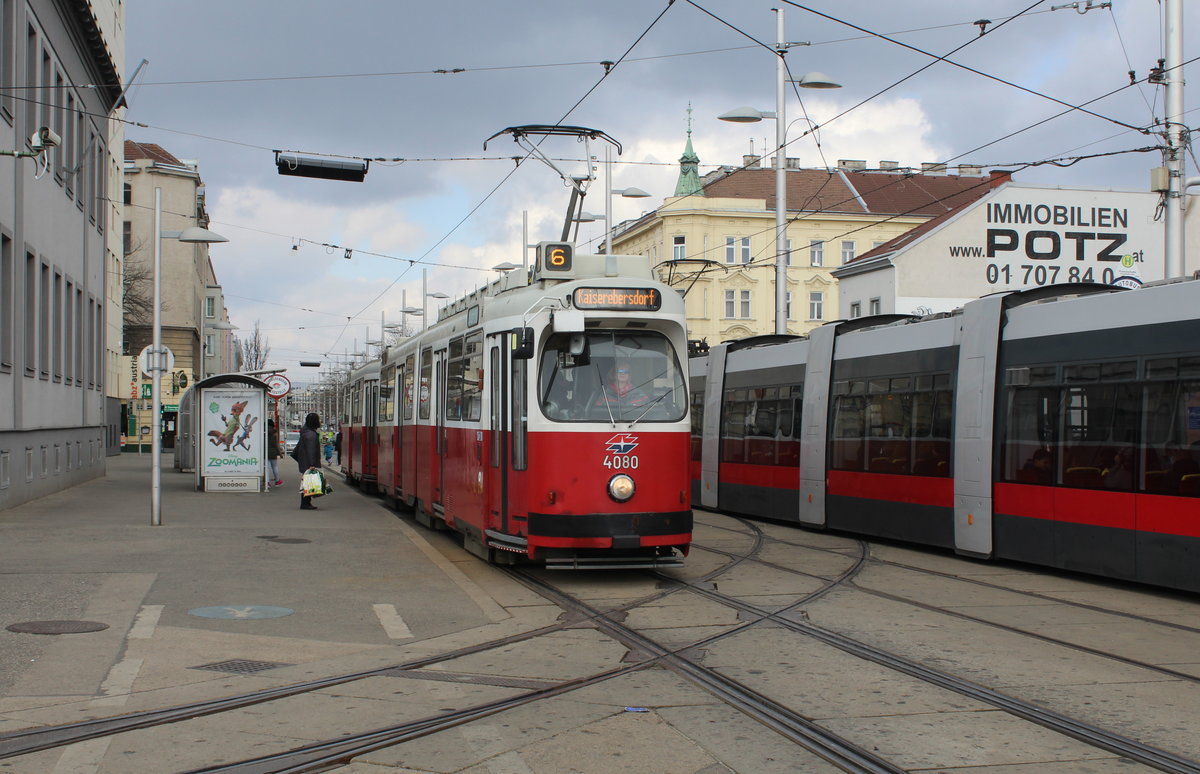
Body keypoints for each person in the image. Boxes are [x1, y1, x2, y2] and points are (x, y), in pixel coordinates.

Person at [296, 412, 322, 510]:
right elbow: (311, 450)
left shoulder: (305, 432)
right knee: (307, 483)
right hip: (308, 463)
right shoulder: (311, 434)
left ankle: (306, 503)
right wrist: (312, 464)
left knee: (306, 483)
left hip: (304, 461)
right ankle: (305, 503)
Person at [266, 418, 283, 489]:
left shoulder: (263, 432)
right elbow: (277, 444)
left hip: (265, 451)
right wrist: (280, 453)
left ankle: (267, 483)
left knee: (267, 468)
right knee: (275, 467)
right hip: (273, 452)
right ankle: (277, 481)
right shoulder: (274, 432)